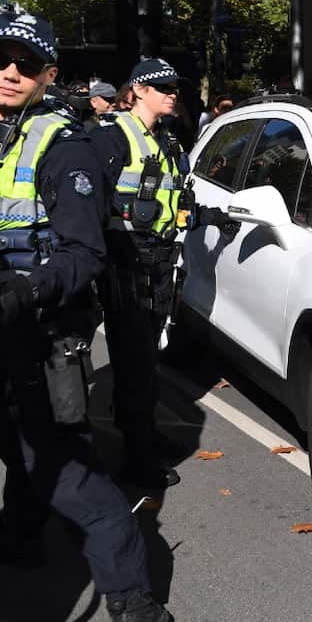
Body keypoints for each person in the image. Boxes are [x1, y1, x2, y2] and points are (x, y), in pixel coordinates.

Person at [0, 14, 173, 622]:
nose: (11, 72)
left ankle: (138, 604)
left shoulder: (67, 145)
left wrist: (23, 294)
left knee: (67, 472)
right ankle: (24, 535)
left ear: (49, 75)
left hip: (40, 326)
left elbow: (85, 253)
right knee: (9, 434)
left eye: (27, 65)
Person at [92, 59, 194, 490]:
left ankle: (144, 436)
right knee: (134, 359)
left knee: (146, 357)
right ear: (138, 90)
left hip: (159, 259)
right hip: (127, 260)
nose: (172, 93)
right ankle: (136, 458)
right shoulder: (112, 135)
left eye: (175, 87)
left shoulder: (166, 140)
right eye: (163, 87)